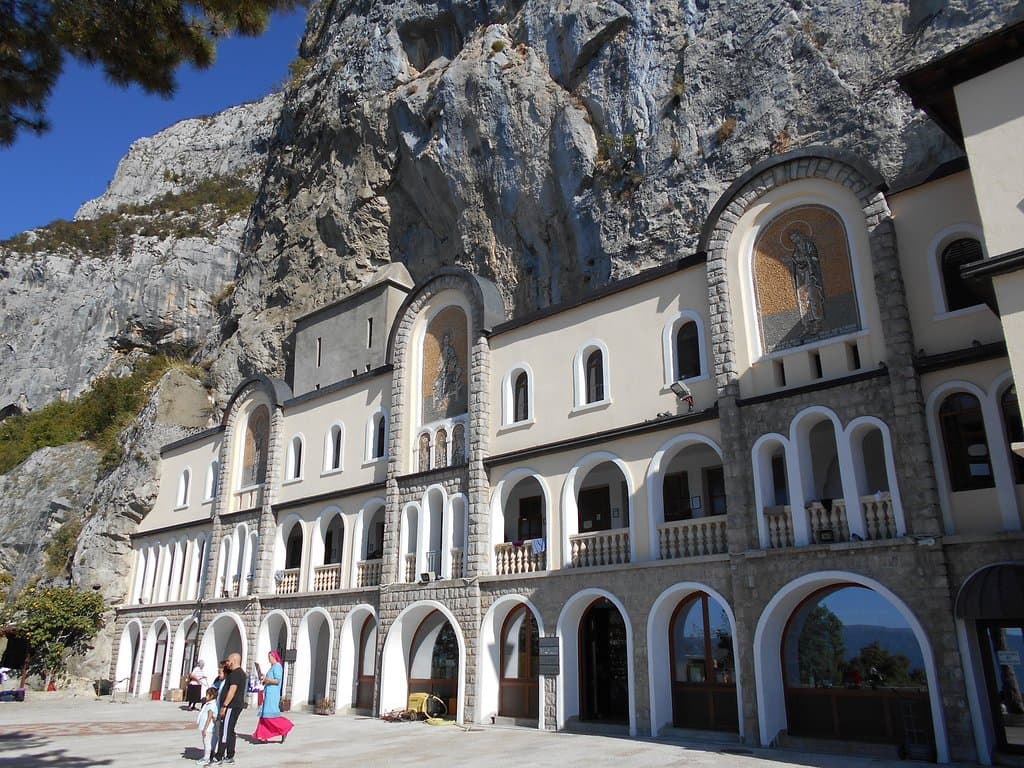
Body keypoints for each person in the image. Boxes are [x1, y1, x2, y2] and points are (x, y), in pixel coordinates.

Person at [253, 650, 294, 743]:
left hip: (273, 694)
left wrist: (266, 679)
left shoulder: (277, 666)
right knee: (264, 715)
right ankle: (263, 735)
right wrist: (263, 678)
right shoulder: (272, 667)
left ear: (274, 657)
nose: (269, 659)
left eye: (270, 657)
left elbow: (277, 680)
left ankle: (284, 727)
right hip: (268, 692)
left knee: (269, 714)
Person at [214, 653, 247, 764]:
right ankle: (230, 755)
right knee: (230, 731)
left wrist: (224, 705)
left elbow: (232, 690)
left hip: (232, 706)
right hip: (235, 706)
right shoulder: (240, 673)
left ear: (233, 660)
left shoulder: (235, 674)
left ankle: (219, 756)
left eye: (228, 661)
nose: (227, 663)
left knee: (225, 730)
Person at [195, 686, 218, 766]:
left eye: (207, 695)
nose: (206, 696)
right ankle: (208, 757)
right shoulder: (208, 704)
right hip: (207, 728)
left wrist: (205, 729)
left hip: (208, 729)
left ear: (211, 696)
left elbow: (209, 717)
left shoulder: (212, 705)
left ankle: (206, 758)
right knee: (207, 742)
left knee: (207, 743)